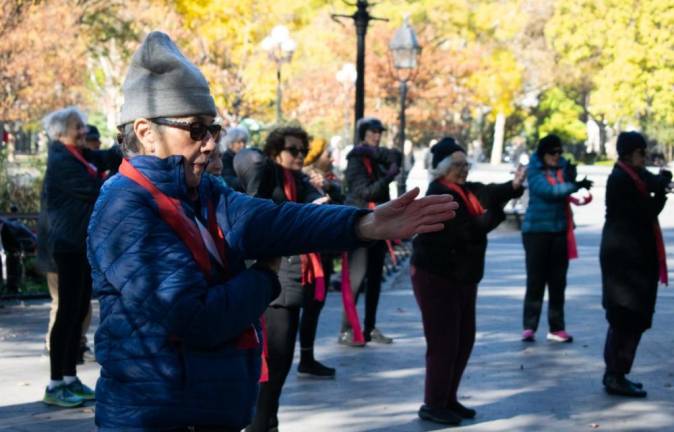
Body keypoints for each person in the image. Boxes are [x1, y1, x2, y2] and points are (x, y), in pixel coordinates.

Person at [88, 31, 457, 432]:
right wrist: (265, 277)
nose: (211, 144)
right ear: (145, 132)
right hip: (157, 416)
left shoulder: (204, 192)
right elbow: (196, 318)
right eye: (196, 130)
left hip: (203, 410)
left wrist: (364, 224)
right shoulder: (124, 206)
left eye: (213, 129)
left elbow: (277, 219)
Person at [411, 138, 525, 425]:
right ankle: (433, 403)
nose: (463, 170)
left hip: (461, 277)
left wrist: (514, 185)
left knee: (463, 339)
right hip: (436, 277)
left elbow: (489, 192)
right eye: (457, 165)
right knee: (444, 342)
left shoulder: (464, 190)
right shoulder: (439, 193)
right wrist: (499, 212)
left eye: (466, 164)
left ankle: (448, 397)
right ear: (442, 169)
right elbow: (470, 231)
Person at [242, 127, 337, 432]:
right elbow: (246, 163)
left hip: (297, 277)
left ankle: (270, 420)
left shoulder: (300, 180)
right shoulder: (268, 174)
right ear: (275, 152)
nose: (299, 156)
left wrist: (321, 197)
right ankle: (262, 423)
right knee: (273, 359)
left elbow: (319, 199)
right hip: (275, 279)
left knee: (282, 361)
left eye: (302, 151)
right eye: (292, 150)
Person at [41, 107, 122, 408]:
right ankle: (54, 383)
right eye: (77, 126)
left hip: (81, 245)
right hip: (67, 246)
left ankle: (69, 376)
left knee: (77, 314)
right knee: (66, 315)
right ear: (61, 132)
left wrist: (123, 142)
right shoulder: (62, 160)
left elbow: (104, 159)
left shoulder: (78, 155)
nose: (84, 130)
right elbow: (94, 189)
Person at [600, 131, 671, 398]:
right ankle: (615, 374)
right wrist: (662, 193)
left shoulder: (633, 174)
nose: (645, 157)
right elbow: (646, 211)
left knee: (634, 316)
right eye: (642, 152)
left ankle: (619, 372)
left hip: (635, 257)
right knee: (625, 316)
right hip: (623, 258)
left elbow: (652, 181)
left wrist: (662, 181)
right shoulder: (620, 179)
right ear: (630, 154)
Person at [520, 134, 593, 343]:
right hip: (536, 232)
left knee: (558, 282)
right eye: (553, 152)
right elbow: (548, 191)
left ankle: (557, 327)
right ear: (543, 154)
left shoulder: (564, 168)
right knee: (536, 280)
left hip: (559, 230)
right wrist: (574, 185)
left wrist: (573, 181)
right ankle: (529, 326)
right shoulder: (534, 170)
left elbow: (564, 192)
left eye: (560, 152)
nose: (557, 156)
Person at [339, 116, 401, 346]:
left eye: (379, 132)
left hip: (380, 223)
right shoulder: (356, 159)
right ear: (363, 134)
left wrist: (387, 168)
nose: (377, 135)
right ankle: (347, 329)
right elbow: (365, 192)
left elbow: (395, 157)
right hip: (360, 225)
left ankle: (370, 327)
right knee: (357, 277)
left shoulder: (378, 158)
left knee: (376, 278)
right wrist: (388, 177)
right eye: (372, 132)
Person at [220, 126, 249, 190]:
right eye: (239, 142)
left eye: (244, 142)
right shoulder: (226, 157)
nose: (242, 145)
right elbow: (228, 178)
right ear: (230, 143)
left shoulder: (244, 156)